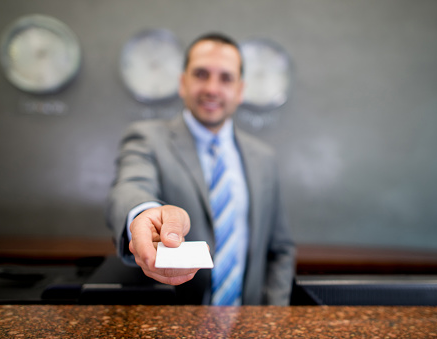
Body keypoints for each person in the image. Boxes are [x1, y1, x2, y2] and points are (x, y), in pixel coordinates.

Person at [106, 33, 295, 305]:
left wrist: (274, 320)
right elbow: (130, 186)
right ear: (183, 83)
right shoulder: (147, 138)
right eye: (201, 74)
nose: (212, 89)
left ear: (240, 90)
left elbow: (280, 250)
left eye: (226, 78)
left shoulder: (264, 157)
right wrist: (144, 214)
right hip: (173, 324)